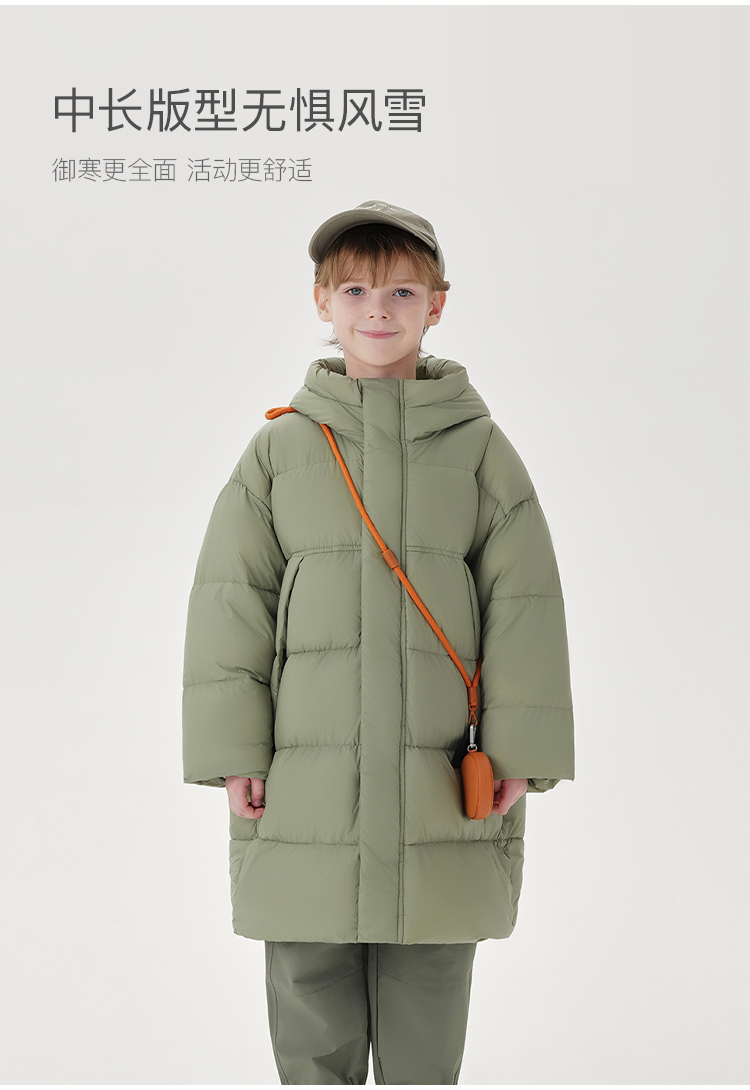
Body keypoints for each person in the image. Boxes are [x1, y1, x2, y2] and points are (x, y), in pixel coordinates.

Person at [182, 199, 575, 1085]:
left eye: (402, 290)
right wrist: (232, 751)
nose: (378, 309)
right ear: (322, 301)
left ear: (438, 303)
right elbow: (230, 605)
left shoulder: (481, 452)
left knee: (429, 981)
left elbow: (524, 605)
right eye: (355, 289)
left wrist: (522, 750)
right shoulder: (279, 451)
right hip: (303, 780)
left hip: (443, 772)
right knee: (308, 976)